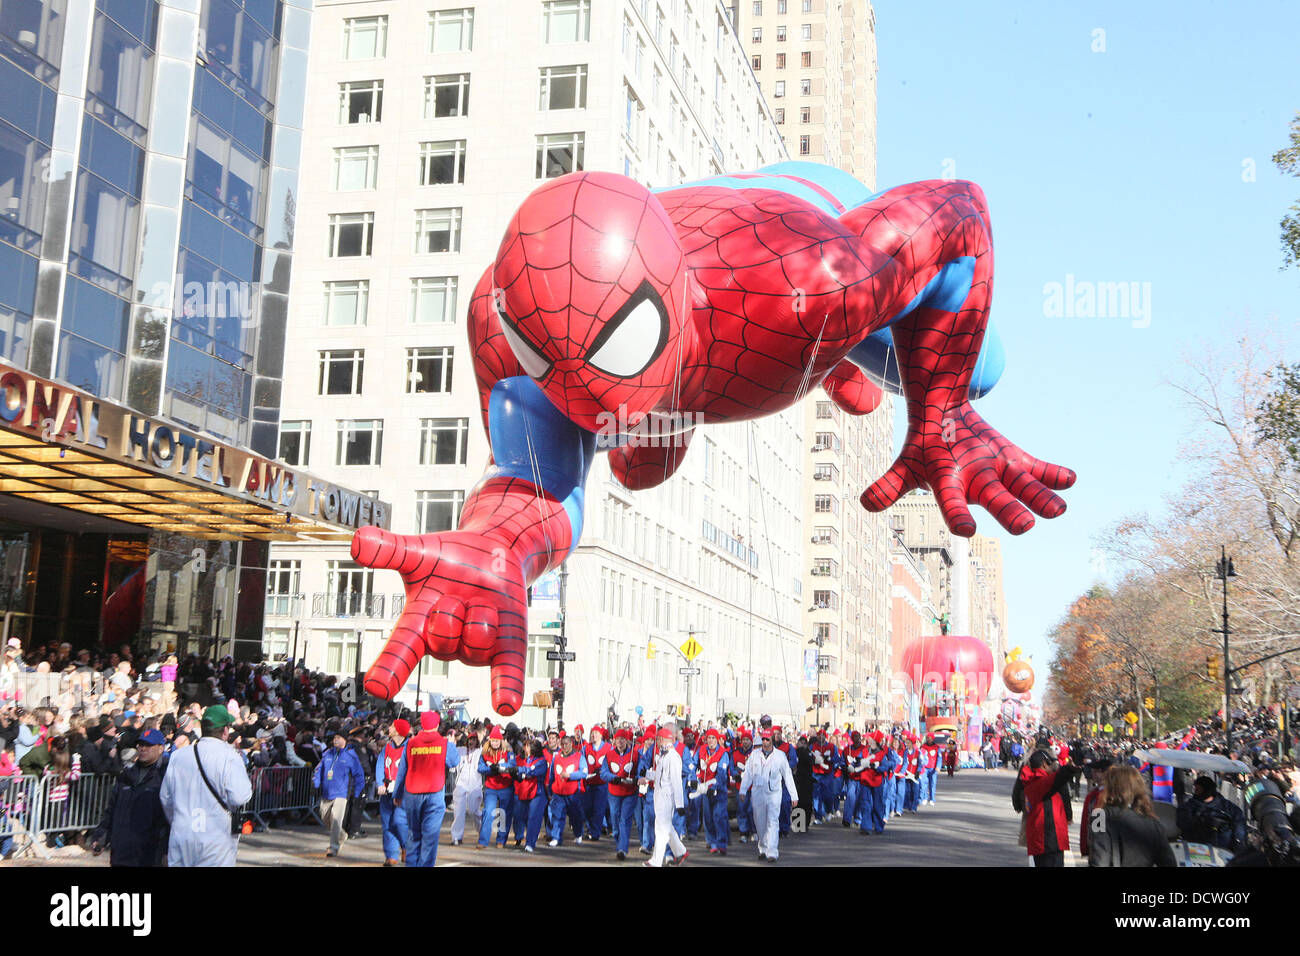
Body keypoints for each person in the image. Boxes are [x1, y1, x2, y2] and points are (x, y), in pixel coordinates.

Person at [159, 704, 253, 867]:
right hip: (215, 837)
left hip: (182, 833)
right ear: (225, 731)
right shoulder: (230, 757)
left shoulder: (179, 756)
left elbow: (165, 797)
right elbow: (240, 797)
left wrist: (178, 819)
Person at [89, 728, 168, 866]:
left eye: (148, 745)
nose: (143, 748)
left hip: (150, 853)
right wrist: (101, 837)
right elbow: (112, 809)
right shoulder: (126, 775)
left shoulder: (166, 776)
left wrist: (166, 850)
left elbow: (170, 817)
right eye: (140, 744)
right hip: (122, 850)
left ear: (160, 748)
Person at [399, 710, 460, 867]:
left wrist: (398, 794)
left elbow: (402, 770)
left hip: (412, 793)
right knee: (430, 837)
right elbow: (454, 761)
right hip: (434, 793)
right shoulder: (445, 744)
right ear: (437, 725)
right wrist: (452, 744)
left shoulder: (410, 743)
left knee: (414, 835)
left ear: (421, 725)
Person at [1089, 765, 1177, 867]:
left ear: (1111, 788)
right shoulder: (1153, 823)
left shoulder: (1099, 816)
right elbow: (1169, 862)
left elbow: (1099, 858)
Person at [739, 728, 798, 862]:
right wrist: (743, 790)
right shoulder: (754, 755)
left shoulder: (780, 756)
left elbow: (787, 776)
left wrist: (794, 795)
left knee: (772, 822)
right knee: (760, 823)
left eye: (768, 740)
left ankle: (772, 852)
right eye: (763, 740)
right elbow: (748, 773)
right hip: (758, 792)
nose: (765, 742)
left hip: (774, 793)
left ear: (772, 740)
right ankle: (763, 848)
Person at [1013, 748, 1077, 867]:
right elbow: (1057, 780)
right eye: (1051, 763)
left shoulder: (1030, 780)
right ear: (1044, 764)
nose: (1053, 766)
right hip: (1047, 840)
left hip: (1045, 840)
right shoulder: (1039, 781)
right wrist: (1069, 768)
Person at [645, 725, 687, 867]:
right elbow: (659, 776)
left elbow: (676, 781)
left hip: (667, 797)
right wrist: (647, 776)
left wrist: (679, 804)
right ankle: (681, 851)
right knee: (666, 827)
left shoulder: (673, 757)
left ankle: (656, 861)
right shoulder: (663, 756)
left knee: (661, 830)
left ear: (664, 740)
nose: (657, 742)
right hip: (659, 795)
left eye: (658, 739)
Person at [1176, 775, 1246, 852]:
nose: (1195, 792)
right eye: (1195, 789)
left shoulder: (1229, 808)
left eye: (1198, 789)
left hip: (1223, 850)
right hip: (1195, 848)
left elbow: (1239, 829)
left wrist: (1238, 845)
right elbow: (1183, 824)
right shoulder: (1189, 806)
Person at [601, 727, 639, 860]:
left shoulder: (635, 754)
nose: (620, 742)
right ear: (614, 741)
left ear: (627, 741)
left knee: (625, 819)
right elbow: (603, 773)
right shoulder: (609, 755)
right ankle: (618, 840)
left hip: (630, 792)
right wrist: (613, 777)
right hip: (614, 792)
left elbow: (640, 769)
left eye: (622, 739)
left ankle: (622, 848)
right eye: (618, 739)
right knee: (615, 819)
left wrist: (637, 778)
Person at [376, 718, 410, 865]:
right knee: (387, 823)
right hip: (387, 791)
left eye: (392, 726)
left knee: (399, 822)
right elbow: (380, 765)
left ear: (398, 730)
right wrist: (380, 783)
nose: (389, 728)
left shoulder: (409, 747)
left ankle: (406, 846)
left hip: (403, 792)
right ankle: (391, 855)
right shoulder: (387, 747)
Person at [477, 725, 515, 849]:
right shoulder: (484, 752)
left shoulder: (507, 752)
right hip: (491, 788)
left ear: (501, 741)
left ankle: (501, 839)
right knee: (488, 812)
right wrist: (490, 769)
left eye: (497, 740)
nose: (494, 743)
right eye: (492, 740)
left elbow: (512, 764)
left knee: (504, 814)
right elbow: (480, 768)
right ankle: (483, 841)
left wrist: (501, 768)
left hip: (505, 786)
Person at [547, 731, 587, 847]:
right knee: (557, 815)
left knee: (575, 816)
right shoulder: (557, 757)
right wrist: (550, 790)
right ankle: (556, 837)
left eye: (567, 744)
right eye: (563, 744)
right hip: (558, 793)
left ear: (571, 744)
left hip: (573, 792)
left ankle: (578, 834)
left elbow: (584, 773)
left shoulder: (579, 756)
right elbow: (552, 776)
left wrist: (571, 776)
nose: (565, 746)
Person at [510, 740, 549, 853]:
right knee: (519, 816)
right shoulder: (523, 759)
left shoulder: (541, 761)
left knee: (534, 818)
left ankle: (530, 843)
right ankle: (519, 836)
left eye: (527, 746)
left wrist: (520, 770)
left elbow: (532, 771)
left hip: (538, 793)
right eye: (525, 746)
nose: (525, 748)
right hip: (524, 791)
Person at [696, 728, 730, 854]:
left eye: (713, 738)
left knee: (719, 816)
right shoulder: (702, 750)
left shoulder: (723, 753)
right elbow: (694, 765)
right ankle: (711, 841)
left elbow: (722, 774)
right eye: (709, 738)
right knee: (708, 817)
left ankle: (721, 843)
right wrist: (694, 779)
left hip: (718, 791)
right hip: (705, 789)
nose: (710, 740)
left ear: (717, 739)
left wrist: (714, 787)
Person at [450, 730, 482, 846]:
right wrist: (454, 738)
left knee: (474, 811)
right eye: (470, 739)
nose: (471, 741)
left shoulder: (480, 751)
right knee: (458, 812)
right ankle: (456, 837)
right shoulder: (461, 751)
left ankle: (481, 831)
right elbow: (451, 750)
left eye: (473, 739)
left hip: (475, 785)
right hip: (461, 785)